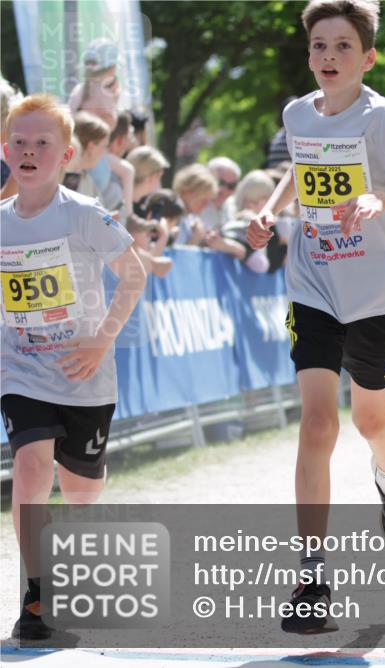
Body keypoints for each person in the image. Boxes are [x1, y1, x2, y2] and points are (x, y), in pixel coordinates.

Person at [245, 0, 385, 635]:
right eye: (319, 47)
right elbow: (298, 172)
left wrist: (377, 196)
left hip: (376, 295)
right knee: (317, 423)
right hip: (313, 285)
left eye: (342, 47)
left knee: (370, 419)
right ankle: (311, 577)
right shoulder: (299, 112)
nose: (329, 57)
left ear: (368, 57)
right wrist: (270, 209)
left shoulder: (384, 120)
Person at [1, 94, 146, 640]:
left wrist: (99, 342)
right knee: (33, 470)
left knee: (81, 490)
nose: (30, 151)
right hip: (22, 370)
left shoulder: (84, 214)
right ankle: (36, 596)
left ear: (66, 156)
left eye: (42, 144)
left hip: (86, 375)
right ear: (5, 150)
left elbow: (134, 277)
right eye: (20, 142)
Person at [171, 163, 217, 246]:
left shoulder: (191, 220)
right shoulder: (170, 216)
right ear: (186, 192)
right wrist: (195, 240)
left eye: (208, 201)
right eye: (203, 200)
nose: (206, 205)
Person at [202, 156, 241, 231]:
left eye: (231, 186)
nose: (224, 190)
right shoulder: (195, 206)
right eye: (220, 183)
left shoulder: (232, 206)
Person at [126, 145, 170, 212]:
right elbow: (107, 221)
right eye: (159, 177)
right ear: (153, 177)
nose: (159, 184)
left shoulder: (125, 198)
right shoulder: (118, 196)